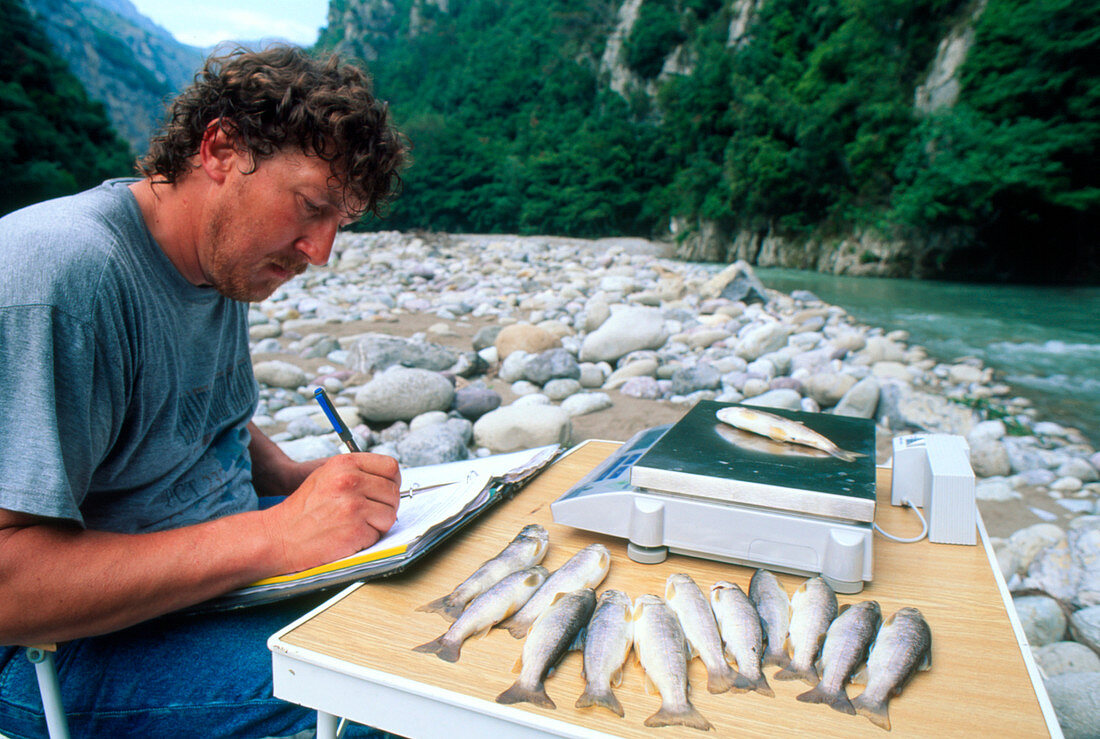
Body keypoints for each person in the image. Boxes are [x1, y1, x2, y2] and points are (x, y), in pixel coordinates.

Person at [0, 45, 408, 737]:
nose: (321, 251)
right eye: (311, 206)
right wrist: (275, 533)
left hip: (211, 587)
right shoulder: (63, 278)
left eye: (341, 221)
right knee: (405, 695)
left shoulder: (222, 260)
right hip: (57, 651)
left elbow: (177, 407)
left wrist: (282, 474)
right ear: (220, 148)